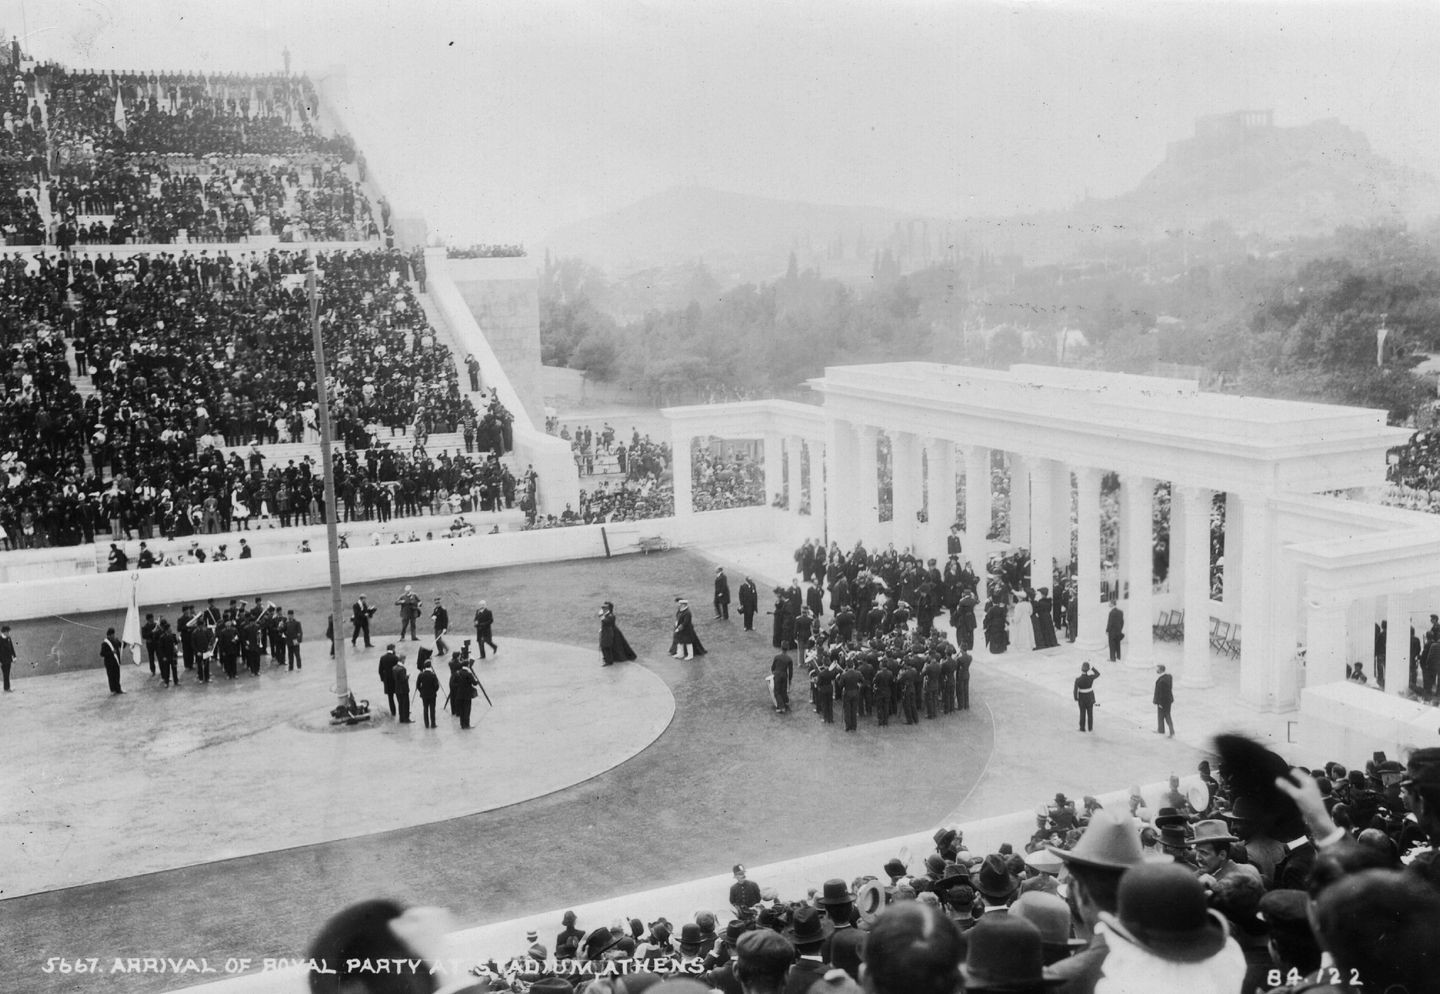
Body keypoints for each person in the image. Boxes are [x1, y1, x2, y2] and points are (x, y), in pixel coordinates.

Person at [600, 602, 637, 666]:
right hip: (611, 631)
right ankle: (610, 658)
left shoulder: (610, 616)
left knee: (611, 645)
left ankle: (610, 659)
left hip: (611, 632)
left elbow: (605, 621)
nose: (603, 609)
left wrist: (601, 616)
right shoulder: (608, 615)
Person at [450, 660, 478, 729]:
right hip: (467, 695)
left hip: (459, 694)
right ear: (467, 666)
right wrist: (476, 680)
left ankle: (462, 725)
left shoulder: (458, 673)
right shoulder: (469, 674)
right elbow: (474, 683)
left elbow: (452, 684)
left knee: (462, 710)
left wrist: (459, 686)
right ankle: (467, 724)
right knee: (467, 710)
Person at [1074, 662, 1100, 732]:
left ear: (1081, 669)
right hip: (1090, 698)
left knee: (1082, 713)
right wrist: (1092, 668)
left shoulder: (1078, 679)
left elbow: (1075, 691)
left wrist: (1076, 698)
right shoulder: (1091, 677)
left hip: (1082, 698)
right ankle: (1090, 728)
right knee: (1090, 713)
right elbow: (1098, 674)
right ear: (1088, 670)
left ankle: (1082, 728)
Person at [416, 657, 440, 728]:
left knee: (425, 709)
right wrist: (434, 691)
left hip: (424, 695)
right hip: (432, 695)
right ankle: (433, 724)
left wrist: (421, 691)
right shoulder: (433, 675)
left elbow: (417, 685)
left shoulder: (421, 675)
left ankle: (426, 724)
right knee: (432, 709)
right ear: (430, 666)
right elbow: (437, 686)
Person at [771, 643, 794, 713]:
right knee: (783, 690)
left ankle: (781, 707)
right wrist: (789, 679)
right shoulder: (789, 659)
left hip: (777, 675)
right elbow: (790, 671)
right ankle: (785, 702)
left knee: (777, 691)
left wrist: (773, 672)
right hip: (784, 675)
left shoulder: (777, 657)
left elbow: (773, 667)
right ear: (788, 649)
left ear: (781, 648)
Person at [1153, 664, 1174, 737]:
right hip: (1168, 700)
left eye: (1157, 669)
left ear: (1160, 670)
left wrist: (1161, 703)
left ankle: (1172, 732)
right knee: (1161, 716)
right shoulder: (1168, 677)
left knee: (1166, 716)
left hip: (1163, 701)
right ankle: (1161, 730)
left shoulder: (1162, 681)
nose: (1156, 670)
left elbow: (1162, 693)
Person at [379, 645, 400, 716]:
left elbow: (380, 670)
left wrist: (383, 679)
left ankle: (393, 712)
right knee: (399, 696)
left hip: (387, 680)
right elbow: (399, 669)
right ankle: (401, 710)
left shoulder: (382, 658)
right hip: (395, 680)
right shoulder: (395, 658)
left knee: (390, 698)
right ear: (393, 649)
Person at [391, 654, 413, 724]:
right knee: (406, 704)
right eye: (404, 660)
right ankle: (406, 718)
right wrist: (407, 677)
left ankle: (401, 718)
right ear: (402, 659)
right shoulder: (402, 669)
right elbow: (403, 679)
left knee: (400, 704)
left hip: (397, 689)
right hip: (404, 689)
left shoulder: (394, 668)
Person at [101, 628, 123, 694]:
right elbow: (102, 653)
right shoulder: (105, 643)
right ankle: (113, 689)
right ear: (109, 635)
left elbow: (122, 646)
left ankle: (118, 689)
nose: (113, 636)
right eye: (112, 634)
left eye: (113, 634)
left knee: (117, 676)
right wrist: (111, 652)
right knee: (111, 676)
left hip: (116, 662)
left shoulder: (116, 640)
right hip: (109, 663)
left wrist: (125, 641)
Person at [0, 625, 15, 691]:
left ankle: (6, 688)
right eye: (8, 632)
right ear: (4, 632)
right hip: (2, 660)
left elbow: (12, 648)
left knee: (7, 674)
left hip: (8, 659)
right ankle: (7, 688)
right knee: (5, 674)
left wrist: (14, 656)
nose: (9, 633)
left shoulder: (8, 638)